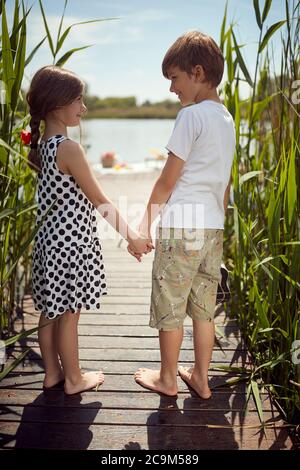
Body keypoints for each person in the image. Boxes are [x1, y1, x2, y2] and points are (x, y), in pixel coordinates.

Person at [27, 65, 152, 395]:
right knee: (70, 313)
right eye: (79, 101)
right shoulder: (69, 148)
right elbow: (99, 198)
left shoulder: (43, 145)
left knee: (49, 309)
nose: (84, 109)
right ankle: (74, 379)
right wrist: (133, 237)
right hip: (72, 245)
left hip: (48, 243)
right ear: (57, 103)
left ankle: (53, 373)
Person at [129, 31, 236, 399]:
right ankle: (201, 378)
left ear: (197, 71)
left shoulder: (190, 116)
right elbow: (225, 182)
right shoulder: (226, 119)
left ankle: (168, 379)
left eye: (174, 78)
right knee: (203, 307)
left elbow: (166, 182)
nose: (172, 89)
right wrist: (217, 223)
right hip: (212, 227)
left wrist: (144, 226)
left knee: (171, 303)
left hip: (182, 226)